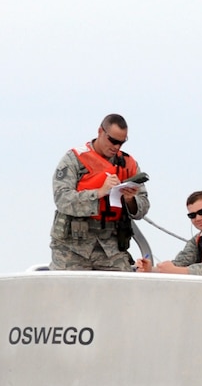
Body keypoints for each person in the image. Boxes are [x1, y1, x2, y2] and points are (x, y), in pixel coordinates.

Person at [50, 114, 150, 271]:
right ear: (100, 132)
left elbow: (143, 206)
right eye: (113, 141)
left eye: (121, 143)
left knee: (124, 289)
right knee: (67, 292)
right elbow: (62, 199)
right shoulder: (73, 160)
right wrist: (99, 192)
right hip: (72, 249)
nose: (117, 147)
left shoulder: (128, 164)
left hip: (111, 248)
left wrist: (130, 200)